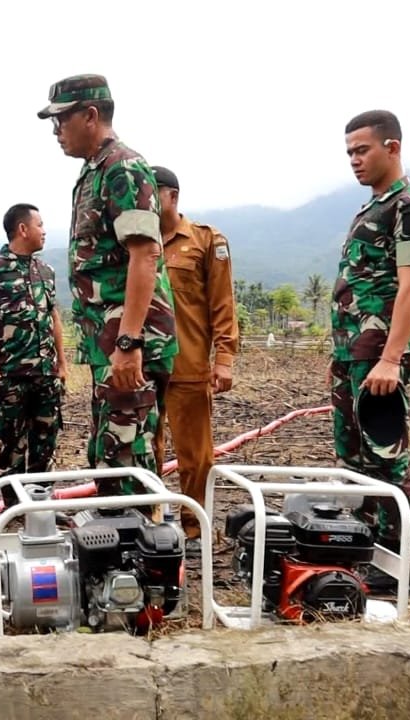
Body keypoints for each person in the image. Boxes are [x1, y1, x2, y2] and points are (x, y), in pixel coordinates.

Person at [37, 74, 178, 496]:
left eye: (60, 120)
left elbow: (145, 254)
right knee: (109, 451)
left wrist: (130, 343)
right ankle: (117, 544)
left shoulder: (123, 168)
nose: (56, 132)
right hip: (110, 339)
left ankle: (139, 550)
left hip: (131, 339)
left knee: (127, 455)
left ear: (90, 116)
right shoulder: (93, 172)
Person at [331, 110, 410, 591]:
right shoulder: (372, 207)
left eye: (363, 150)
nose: (355, 160)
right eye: (350, 152)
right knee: (354, 460)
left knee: (386, 458)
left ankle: (395, 566)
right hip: (354, 353)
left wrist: (391, 358)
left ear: (392, 147)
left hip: (380, 354)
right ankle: (363, 553)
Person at [152, 166, 238, 544]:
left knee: (195, 456)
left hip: (187, 365)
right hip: (143, 368)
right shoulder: (136, 244)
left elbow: (222, 303)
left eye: (151, 194)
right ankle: (150, 519)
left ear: (172, 196)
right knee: (144, 449)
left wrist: (224, 358)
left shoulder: (205, 241)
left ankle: (193, 527)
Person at [0, 203, 66, 506]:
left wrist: (62, 362)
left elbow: (54, 316)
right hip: (10, 373)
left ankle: (39, 506)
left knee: (45, 440)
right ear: (23, 229)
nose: (44, 230)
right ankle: (12, 506)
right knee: (13, 443)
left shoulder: (45, 271)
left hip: (46, 373)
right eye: (40, 224)